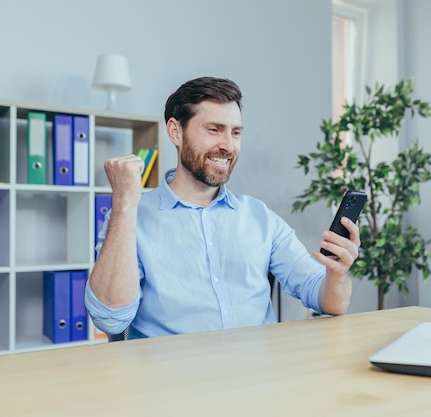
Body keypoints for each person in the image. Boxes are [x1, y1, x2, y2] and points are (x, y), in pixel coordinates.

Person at [85, 76, 360, 339]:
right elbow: (110, 319)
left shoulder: (259, 217)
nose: (228, 146)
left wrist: (336, 275)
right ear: (175, 132)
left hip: (255, 375)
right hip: (173, 380)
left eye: (236, 132)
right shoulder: (131, 217)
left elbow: (328, 300)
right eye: (214, 130)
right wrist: (123, 202)